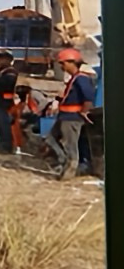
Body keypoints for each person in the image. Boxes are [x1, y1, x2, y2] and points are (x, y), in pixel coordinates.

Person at [48, 48, 96, 180]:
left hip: (72, 118)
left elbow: (88, 98)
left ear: (72, 62)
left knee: (70, 145)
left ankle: (70, 171)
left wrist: (84, 112)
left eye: (63, 63)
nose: (61, 67)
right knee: (51, 138)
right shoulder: (74, 79)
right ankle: (65, 163)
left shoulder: (81, 79)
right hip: (65, 116)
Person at [8, 84, 39, 156]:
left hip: (25, 122)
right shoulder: (20, 105)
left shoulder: (24, 104)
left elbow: (34, 112)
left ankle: (18, 146)